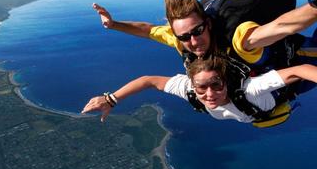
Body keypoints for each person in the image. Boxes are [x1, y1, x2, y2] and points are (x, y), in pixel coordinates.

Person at [93, 0, 317, 72]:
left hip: (303, 56)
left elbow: (282, 26)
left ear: (208, 23)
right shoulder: (181, 38)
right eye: (184, 36)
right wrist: (115, 25)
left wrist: (314, 6)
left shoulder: (238, 38)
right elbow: (149, 30)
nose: (193, 40)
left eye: (197, 30)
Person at [81, 56, 317, 126]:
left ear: (226, 82)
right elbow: (149, 80)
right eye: (202, 87)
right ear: (192, 86)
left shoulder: (250, 91)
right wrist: (111, 99)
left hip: (296, 85)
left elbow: (301, 70)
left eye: (216, 85)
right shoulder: (188, 90)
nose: (210, 93)